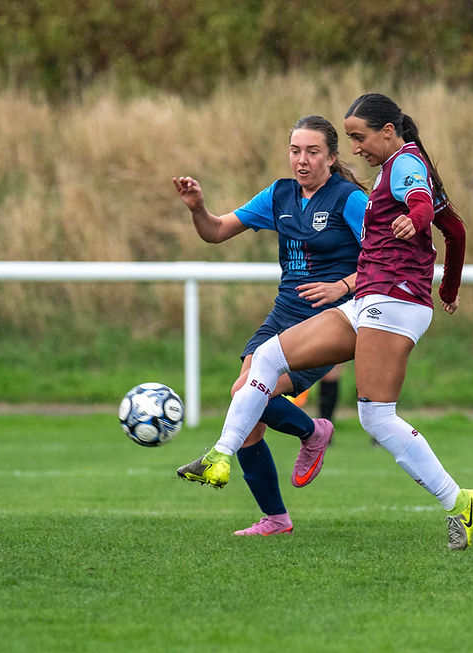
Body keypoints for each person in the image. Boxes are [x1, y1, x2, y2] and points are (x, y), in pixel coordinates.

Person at [177, 93, 473, 551]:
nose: (356, 147)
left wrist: (415, 221)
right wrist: (449, 287)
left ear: (386, 131)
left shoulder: (403, 164)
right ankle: (220, 456)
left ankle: (459, 499)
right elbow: (455, 230)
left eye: (358, 138)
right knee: (266, 358)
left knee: (377, 418)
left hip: (393, 299)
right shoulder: (391, 169)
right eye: (295, 150)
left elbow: (421, 204)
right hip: (370, 299)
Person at [173, 114, 367, 536]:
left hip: (329, 320)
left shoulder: (349, 199)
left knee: (245, 395)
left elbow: (384, 258)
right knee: (247, 413)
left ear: (332, 157)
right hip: (283, 313)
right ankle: (276, 517)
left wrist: (342, 286)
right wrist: (199, 209)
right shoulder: (280, 195)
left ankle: (312, 432)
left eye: (312, 151)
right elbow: (216, 231)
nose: (302, 160)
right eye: (295, 151)